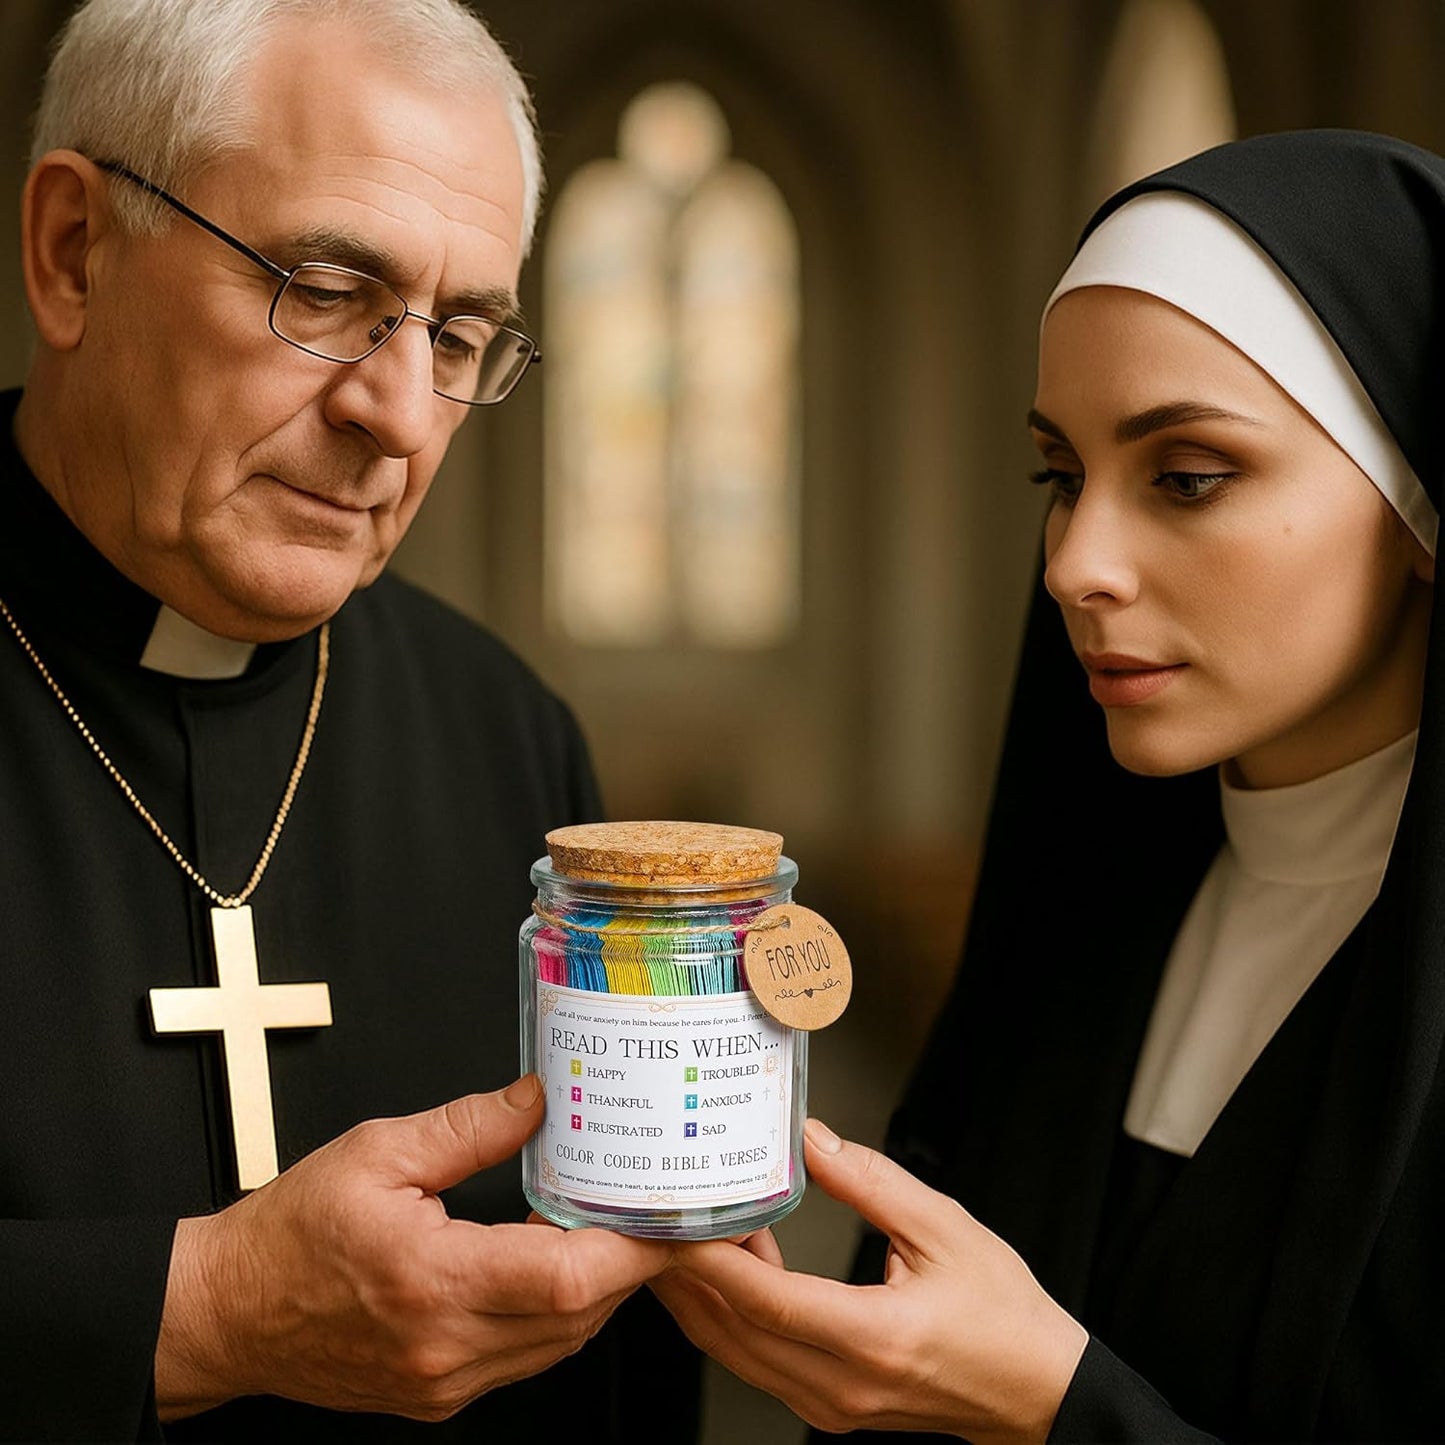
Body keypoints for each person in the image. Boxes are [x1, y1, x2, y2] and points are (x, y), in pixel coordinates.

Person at [654, 129, 1445, 1442]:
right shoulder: (1078, 935)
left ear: (1418, 503)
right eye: (1058, 477)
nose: (1077, 562)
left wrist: (1052, 1407)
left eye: (1186, 477)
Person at [0, 1, 698, 1440]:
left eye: (460, 333)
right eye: (324, 288)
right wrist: (199, 1307)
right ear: (74, 253)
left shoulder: (509, 740)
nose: (399, 412)